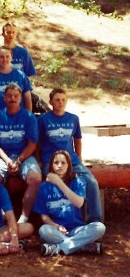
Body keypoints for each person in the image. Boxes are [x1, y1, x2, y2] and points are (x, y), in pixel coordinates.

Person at [37, 88, 102, 223]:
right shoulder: (43, 120)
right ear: (50, 102)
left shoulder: (73, 118)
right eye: (57, 100)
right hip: (51, 161)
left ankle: (94, 221)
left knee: (92, 183)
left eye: (63, 100)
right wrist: (39, 161)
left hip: (71, 161)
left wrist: (78, 157)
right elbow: (36, 143)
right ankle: (55, 222)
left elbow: (77, 139)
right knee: (55, 183)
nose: (60, 103)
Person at [0, 83, 41, 224]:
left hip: (24, 156)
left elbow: (32, 144)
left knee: (35, 178)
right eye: (9, 96)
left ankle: (24, 218)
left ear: (21, 98)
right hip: (2, 156)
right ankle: (0, 214)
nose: (12, 98)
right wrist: (7, 161)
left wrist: (19, 161)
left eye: (16, 96)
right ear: (4, 98)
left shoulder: (29, 117)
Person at [35, 150, 105, 256]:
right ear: (51, 165)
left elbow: (79, 203)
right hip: (57, 230)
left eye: (63, 163)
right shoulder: (44, 186)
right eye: (56, 162)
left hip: (77, 229)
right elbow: (44, 216)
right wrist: (56, 226)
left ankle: (59, 248)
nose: (59, 166)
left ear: (69, 165)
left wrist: (59, 183)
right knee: (43, 230)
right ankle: (82, 245)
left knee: (100, 227)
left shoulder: (78, 181)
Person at [0, 46, 32, 114]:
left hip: (18, 118)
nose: (5, 59)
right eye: (1, 57)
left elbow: (27, 99)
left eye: (7, 56)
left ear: (11, 58)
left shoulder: (21, 76)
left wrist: (28, 117)